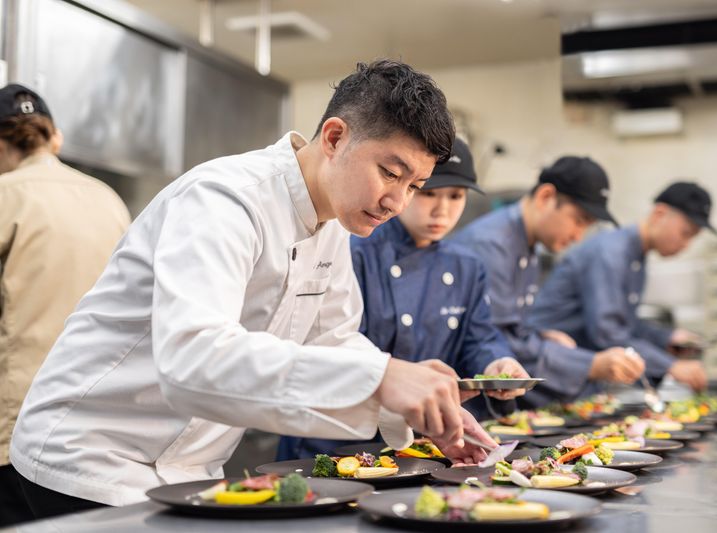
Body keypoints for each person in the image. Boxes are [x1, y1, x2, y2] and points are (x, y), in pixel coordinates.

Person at [10, 60, 495, 520]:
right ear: (334, 137)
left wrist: (412, 404)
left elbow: (332, 341)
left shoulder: (333, 226)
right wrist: (382, 378)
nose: (397, 202)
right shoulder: (224, 199)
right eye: (390, 173)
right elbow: (193, 356)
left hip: (187, 471)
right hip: (88, 457)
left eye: (415, 185)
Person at [277, 138, 530, 460]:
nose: (442, 210)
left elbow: (479, 337)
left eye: (455, 196)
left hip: (420, 438)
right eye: (428, 193)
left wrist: (497, 363)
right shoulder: (354, 250)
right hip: (336, 436)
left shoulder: (467, 266)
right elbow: (331, 343)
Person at [0, 84, 130, 526]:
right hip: (95, 430)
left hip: (16, 426)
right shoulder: (107, 198)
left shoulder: (5, 194)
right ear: (54, 138)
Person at [452, 156, 645, 407]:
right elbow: (493, 339)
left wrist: (541, 336)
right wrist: (590, 364)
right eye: (579, 221)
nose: (578, 237)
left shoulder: (528, 244)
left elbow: (510, 327)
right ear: (545, 197)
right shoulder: (492, 246)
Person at [530, 181, 715, 393]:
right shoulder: (611, 253)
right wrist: (670, 366)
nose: (686, 245)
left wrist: (667, 338)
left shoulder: (636, 258)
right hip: (546, 373)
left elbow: (625, 324)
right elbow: (608, 333)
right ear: (659, 214)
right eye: (685, 233)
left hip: (575, 377)